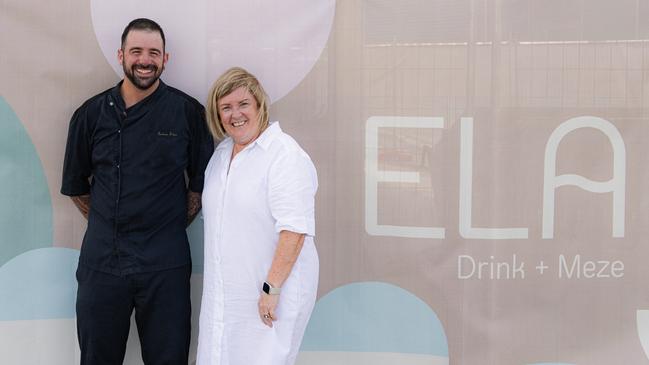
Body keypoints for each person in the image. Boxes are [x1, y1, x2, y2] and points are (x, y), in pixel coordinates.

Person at [60, 18, 214, 364]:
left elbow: (199, 189)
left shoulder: (189, 114)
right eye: (136, 51)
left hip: (165, 263)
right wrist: (111, 223)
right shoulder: (89, 115)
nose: (145, 60)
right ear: (121, 55)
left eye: (153, 53)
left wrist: (163, 224)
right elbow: (76, 188)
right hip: (102, 262)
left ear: (165, 59)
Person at [197, 67, 319, 365]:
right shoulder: (222, 154)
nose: (235, 114)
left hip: (269, 298)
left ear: (260, 105)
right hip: (226, 298)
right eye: (226, 107)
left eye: (243, 104)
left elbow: (294, 231)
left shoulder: (284, 155)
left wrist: (271, 289)